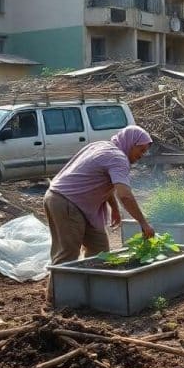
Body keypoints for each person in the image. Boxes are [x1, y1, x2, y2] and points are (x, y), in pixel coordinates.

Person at [44, 125, 155, 300]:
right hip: (66, 202)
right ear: (130, 143)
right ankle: (57, 301)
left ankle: (93, 294)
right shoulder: (118, 159)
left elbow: (102, 181)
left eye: (145, 151)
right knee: (67, 254)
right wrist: (144, 223)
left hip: (75, 203)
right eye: (140, 150)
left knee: (99, 250)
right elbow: (125, 195)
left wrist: (114, 208)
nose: (142, 155)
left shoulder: (102, 146)